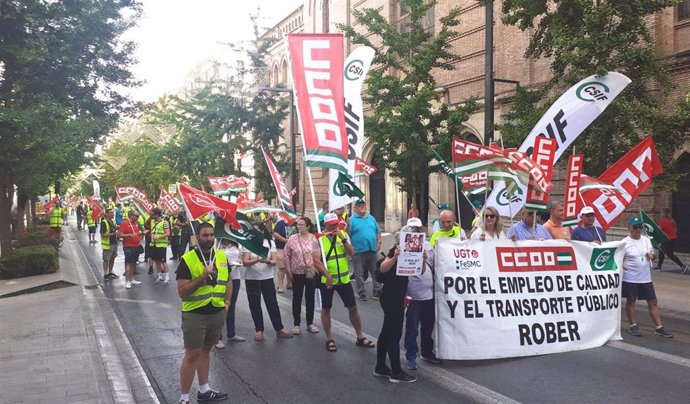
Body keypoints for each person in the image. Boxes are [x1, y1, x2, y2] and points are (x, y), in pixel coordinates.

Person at [176, 222, 231, 403]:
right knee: (192, 354)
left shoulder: (221, 256)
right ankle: (184, 398)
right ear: (197, 237)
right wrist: (202, 276)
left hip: (216, 312)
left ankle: (204, 390)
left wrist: (227, 302)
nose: (209, 239)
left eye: (211, 235)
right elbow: (182, 292)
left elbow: (229, 280)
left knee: (206, 350)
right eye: (205, 235)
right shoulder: (188, 259)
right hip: (195, 314)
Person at [313, 212, 375, 352]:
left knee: (353, 308)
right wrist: (327, 274)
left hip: (344, 278)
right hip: (327, 280)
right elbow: (316, 260)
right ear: (326, 225)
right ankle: (329, 339)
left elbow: (352, 253)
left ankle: (360, 336)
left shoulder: (343, 235)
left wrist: (343, 238)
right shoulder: (318, 239)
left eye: (336, 224)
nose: (335, 226)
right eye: (332, 225)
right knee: (326, 308)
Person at [374, 228, 415, 383]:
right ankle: (396, 372)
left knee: (386, 332)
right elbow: (383, 269)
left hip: (397, 295)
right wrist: (395, 257)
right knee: (394, 334)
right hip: (391, 297)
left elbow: (419, 270)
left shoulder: (412, 252)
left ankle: (380, 367)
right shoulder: (394, 251)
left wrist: (422, 259)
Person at [622, 217, 673, 338]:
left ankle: (659, 327)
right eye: (635, 227)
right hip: (630, 277)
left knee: (653, 302)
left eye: (640, 227)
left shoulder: (646, 240)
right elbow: (618, 258)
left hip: (645, 278)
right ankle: (633, 325)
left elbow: (653, 256)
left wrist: (652, 256)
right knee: (631, 301)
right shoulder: (624, 242)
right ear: (629, 228)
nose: (638, 229)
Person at [241, 222, 293, 341]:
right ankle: (259, 330)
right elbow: (245, 262)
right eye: (253, 231)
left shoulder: (270, 243)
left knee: (272, 304)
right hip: (252, 279)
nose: (255, 233)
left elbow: (274, 261)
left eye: (257, 230)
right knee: (255, 305)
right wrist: (257, 260)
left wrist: (267, 261)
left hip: (267, 278)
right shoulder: (248, 243)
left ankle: (279, 328)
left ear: (262, 231)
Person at [402, 218, 442, 371]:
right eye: (412, 229)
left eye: (417, 228)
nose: (415, 231)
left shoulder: (429, 246)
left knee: (428, 326)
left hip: (429, 294)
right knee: (412, 328)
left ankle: (426, 352)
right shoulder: (402, 245)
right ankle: (411, 356)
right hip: (413, 295)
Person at [283, 216, 320, 335]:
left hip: (310, 272)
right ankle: (296, 324)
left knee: (310, 297)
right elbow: (286, 255)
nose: (299, 226)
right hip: (296, 272)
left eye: (302, 225)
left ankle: (310, 323)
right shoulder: (293, 238)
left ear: (308, 226)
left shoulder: (314, 239)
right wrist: (288, 271)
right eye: (298, 224)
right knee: (297, 297)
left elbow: (318, 255)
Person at [349, 199, 382, 301]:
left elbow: (378, 231)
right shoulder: (351, 220)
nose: (362, 207)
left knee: (376, 271)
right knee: (359, 273)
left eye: (363, 205)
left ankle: (377, 291)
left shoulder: (371, 218)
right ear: (355, 208)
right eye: (359, 206)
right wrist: (350, 248)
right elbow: (347, 235)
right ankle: (361, 292)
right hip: (358, 251)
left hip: (372, 249)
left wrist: (379, 242)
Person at [215, 239, 245, 349]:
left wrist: (240, 261)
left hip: (235, 277)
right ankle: (217, 337)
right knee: (220, 307)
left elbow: (240, 257)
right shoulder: (217, 242)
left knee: (231, 305)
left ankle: (231, 333)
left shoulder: (237, 242)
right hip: (221, 278)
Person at [655, 208, 688, 273]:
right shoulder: (672, 220)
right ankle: (659, 266)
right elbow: (674, 230)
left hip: (667, 239)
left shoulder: (663, 221)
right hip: (673, 239)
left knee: (669, 254)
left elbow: (659, 230)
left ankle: (682, 266)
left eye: (662, 213)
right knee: (661, 250)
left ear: (664, 213)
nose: (661, 214)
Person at [117, 210, 143, 289]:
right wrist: (129, 235)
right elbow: (120, 235)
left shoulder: (136, 223)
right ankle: (127, 281)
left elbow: (138, 232)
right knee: (129, 263)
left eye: (138, 216)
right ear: (131, 215)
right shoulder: (124, 223)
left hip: (136, 245)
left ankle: (132, 279)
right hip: (128, 246)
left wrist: (141, 234)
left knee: (133, 263)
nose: (138, 218)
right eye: (136, 216)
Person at [150, 208, 172, 284]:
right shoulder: (152, 222)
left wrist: (158, 237)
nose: (151, 216)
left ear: (156, 214)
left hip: (161, 245)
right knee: (156, 261)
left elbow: (168, 233)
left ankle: (167, 277)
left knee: (163, 261)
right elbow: (153, 231)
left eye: (152, 214)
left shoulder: (164, 222)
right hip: (154, 244)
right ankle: (159, 276)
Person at [272, 216, 292, 293]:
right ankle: (280, 286)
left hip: (291, 248)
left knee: (289, 266)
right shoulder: (281, 223)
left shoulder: (295, 224)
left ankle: (289, 283)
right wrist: (285, 240)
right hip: (281, 248)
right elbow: (275, 234)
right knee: (282, 267)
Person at [100, 208, 119, 280]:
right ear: (107, 214)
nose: (112, 214)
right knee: (106, 259)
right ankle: (105, 274)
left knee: (112, 258)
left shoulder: (113, 221)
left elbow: (115, 229)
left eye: (112, 212)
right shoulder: (104, 222)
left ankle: (110, 272)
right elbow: (103, 234)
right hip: (108, 244)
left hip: (114, 243)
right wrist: (114, 234)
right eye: (110, 213)